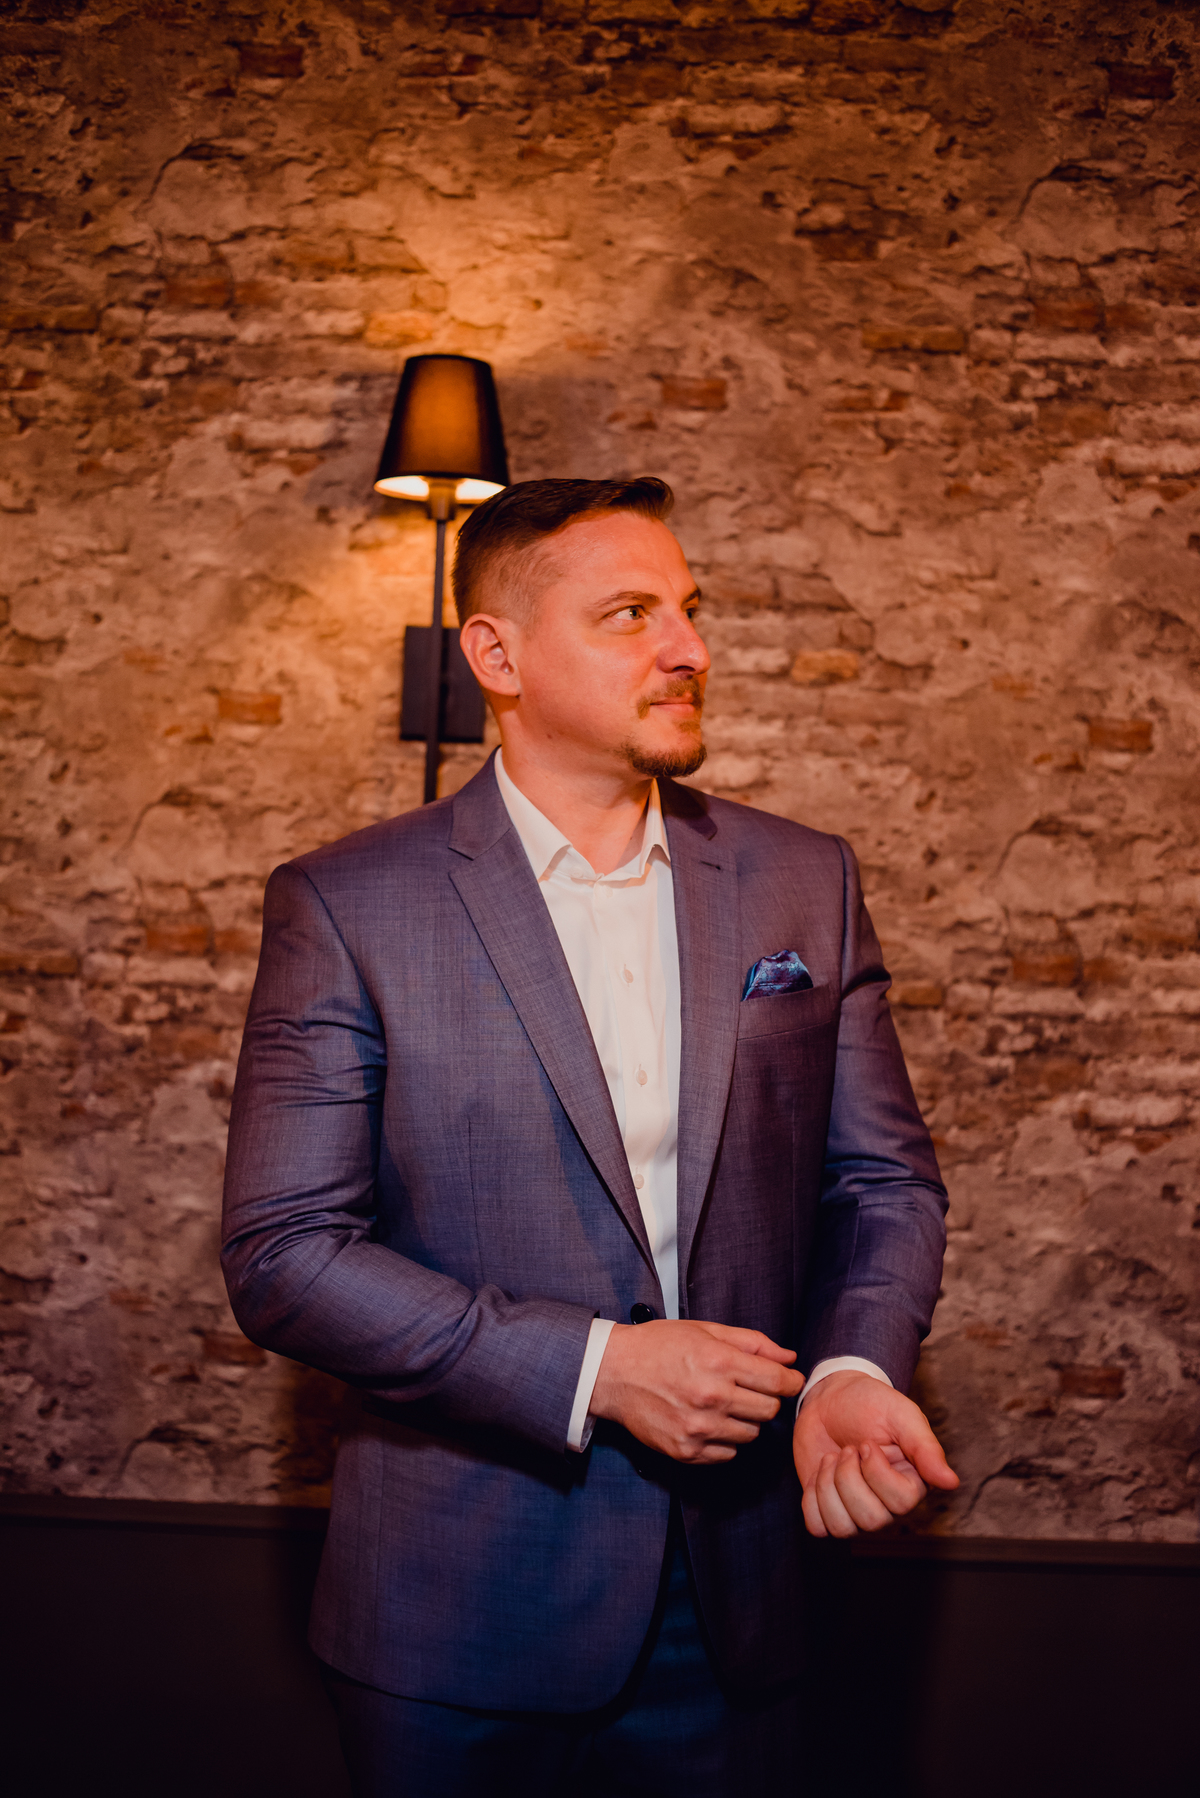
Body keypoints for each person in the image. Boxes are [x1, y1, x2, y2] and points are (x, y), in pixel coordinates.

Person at [221, 476, 958, 1796]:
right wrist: (596, 1368)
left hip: (740, 1605)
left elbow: (882, 1181)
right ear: (497, 656)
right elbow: (286, 1253)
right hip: (453, 1615)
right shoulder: (347, 903)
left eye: (689, 609)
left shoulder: (805, 878)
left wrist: (851, 1368)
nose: (689, 648)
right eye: (630, 615)